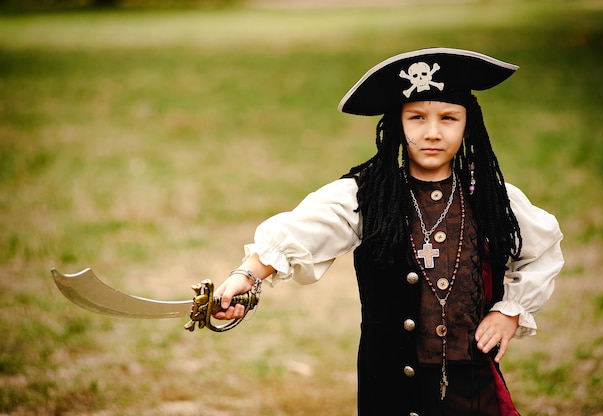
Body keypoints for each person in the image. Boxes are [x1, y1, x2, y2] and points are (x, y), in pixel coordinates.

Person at [212, 47, 564, 416]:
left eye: (448, 118)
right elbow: (303, 230)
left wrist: (511, 311)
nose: (432, 132)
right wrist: (247, 275)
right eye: (416, 117)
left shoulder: (491, 199)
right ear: (398, 124)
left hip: (470, 384)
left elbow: (542, 251)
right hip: (390, 387)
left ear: (468, 124)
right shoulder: (368, 197)